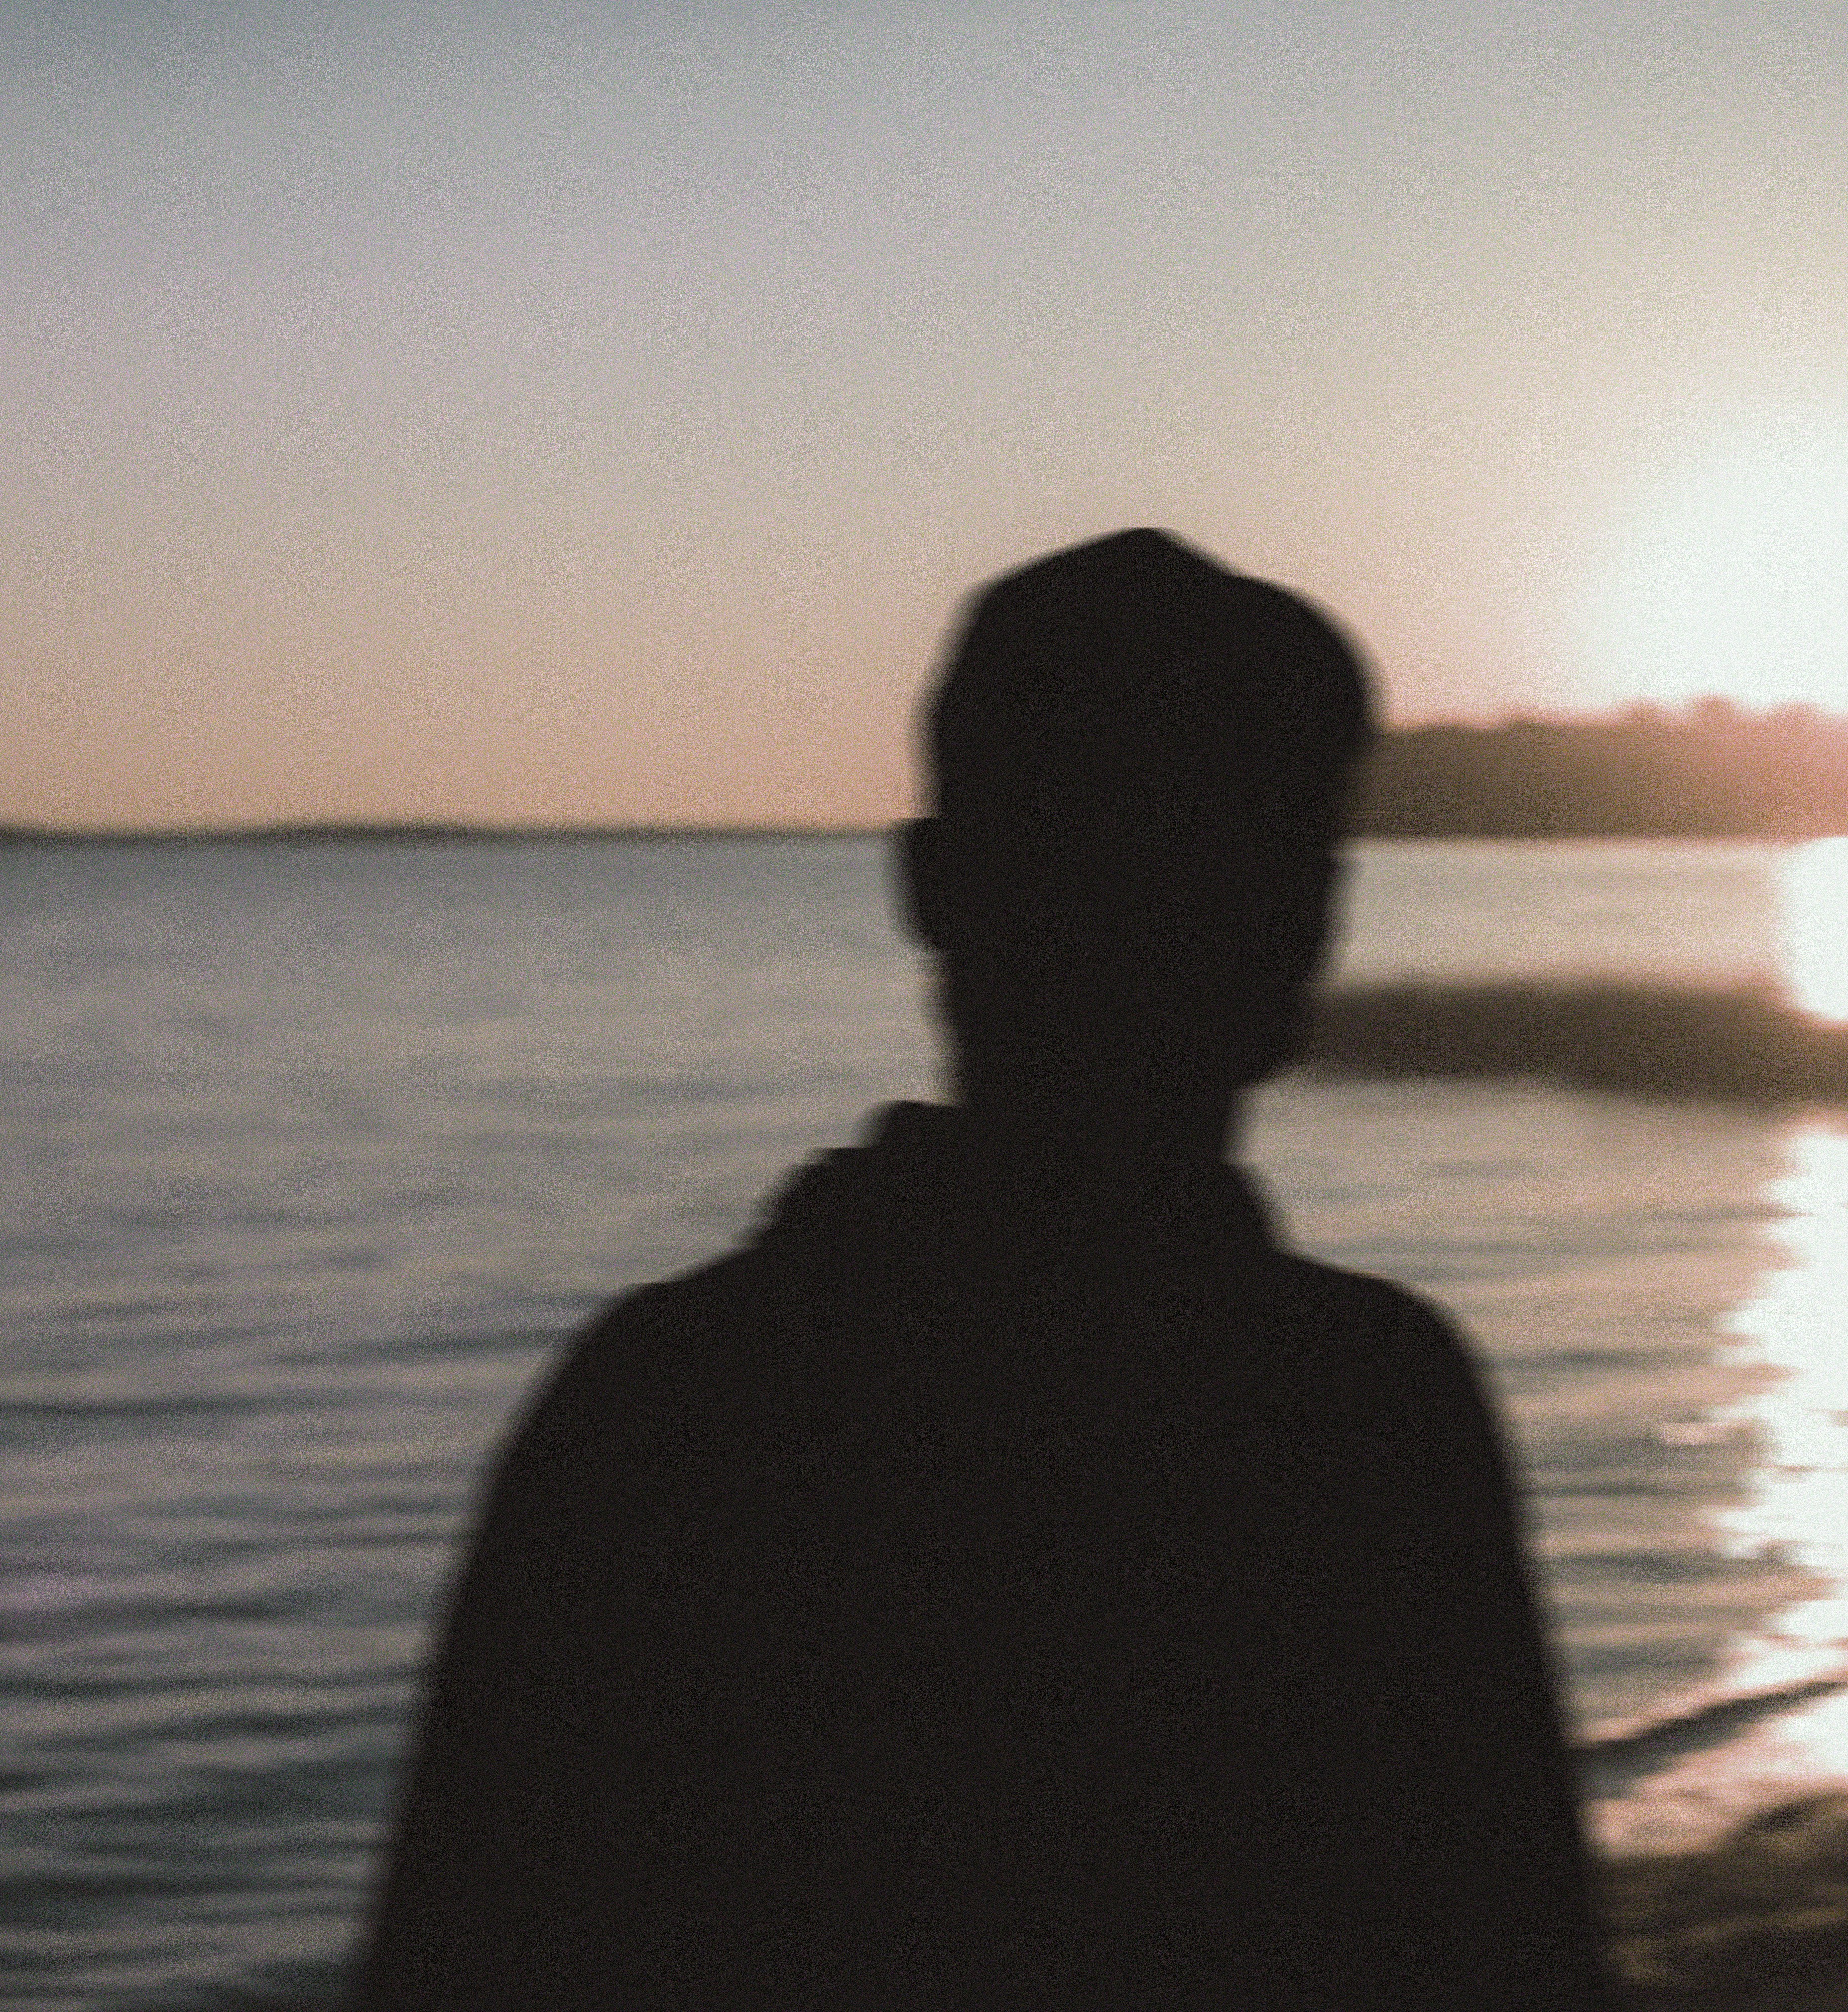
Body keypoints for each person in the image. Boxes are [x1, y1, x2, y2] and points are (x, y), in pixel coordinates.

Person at [345, 529, 1617, 2008]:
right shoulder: (1365, 1404)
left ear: (931, 890)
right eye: (1178, 848)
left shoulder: (664, 1408)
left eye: (1259, 847)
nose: (1234, 907)